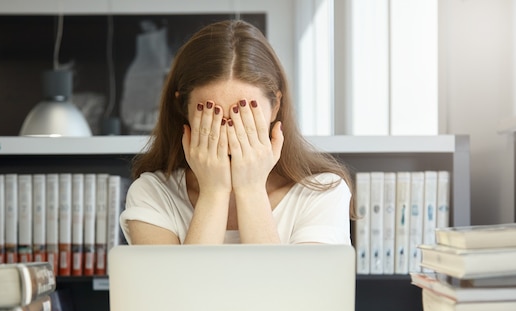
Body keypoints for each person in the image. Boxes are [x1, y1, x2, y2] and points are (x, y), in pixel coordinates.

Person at [120, 19, 355, 245]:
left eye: (244, 115)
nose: (230, 131)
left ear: (275, 107)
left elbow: (289, 287)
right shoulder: (153, 193)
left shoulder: (322, 193)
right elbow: (180, 287)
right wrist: (214, 192)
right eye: (212, 115)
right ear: (184, 110)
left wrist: (251, 189)